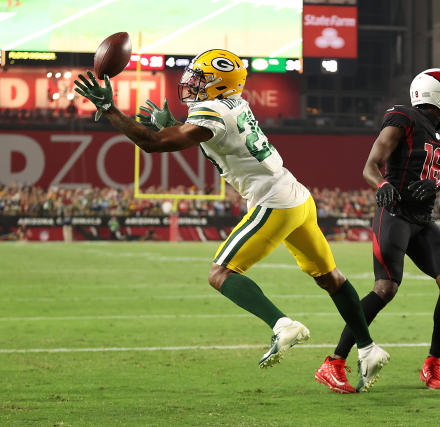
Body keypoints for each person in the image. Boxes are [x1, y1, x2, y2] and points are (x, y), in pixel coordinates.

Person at [73, 49, 388, 391]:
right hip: (296, 194)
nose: (191, 83)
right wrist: (177, 127)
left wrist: (110, 109)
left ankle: (283, 324)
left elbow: (150, 143)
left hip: (274, 200)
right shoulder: (232, 103)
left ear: (220, 85)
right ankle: (368, 348)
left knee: (220, 273)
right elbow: (215, 139)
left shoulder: (213, 111)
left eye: (201, 79)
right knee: (332, 279)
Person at [315, 68, 440, 393]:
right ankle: (334, 362)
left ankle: (433, 364)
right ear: (435, 96)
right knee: (385, 288)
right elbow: (370, 166)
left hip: (423, 221)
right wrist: (383, 184)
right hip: (395, 212)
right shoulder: (404, 119)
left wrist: (437, 182)